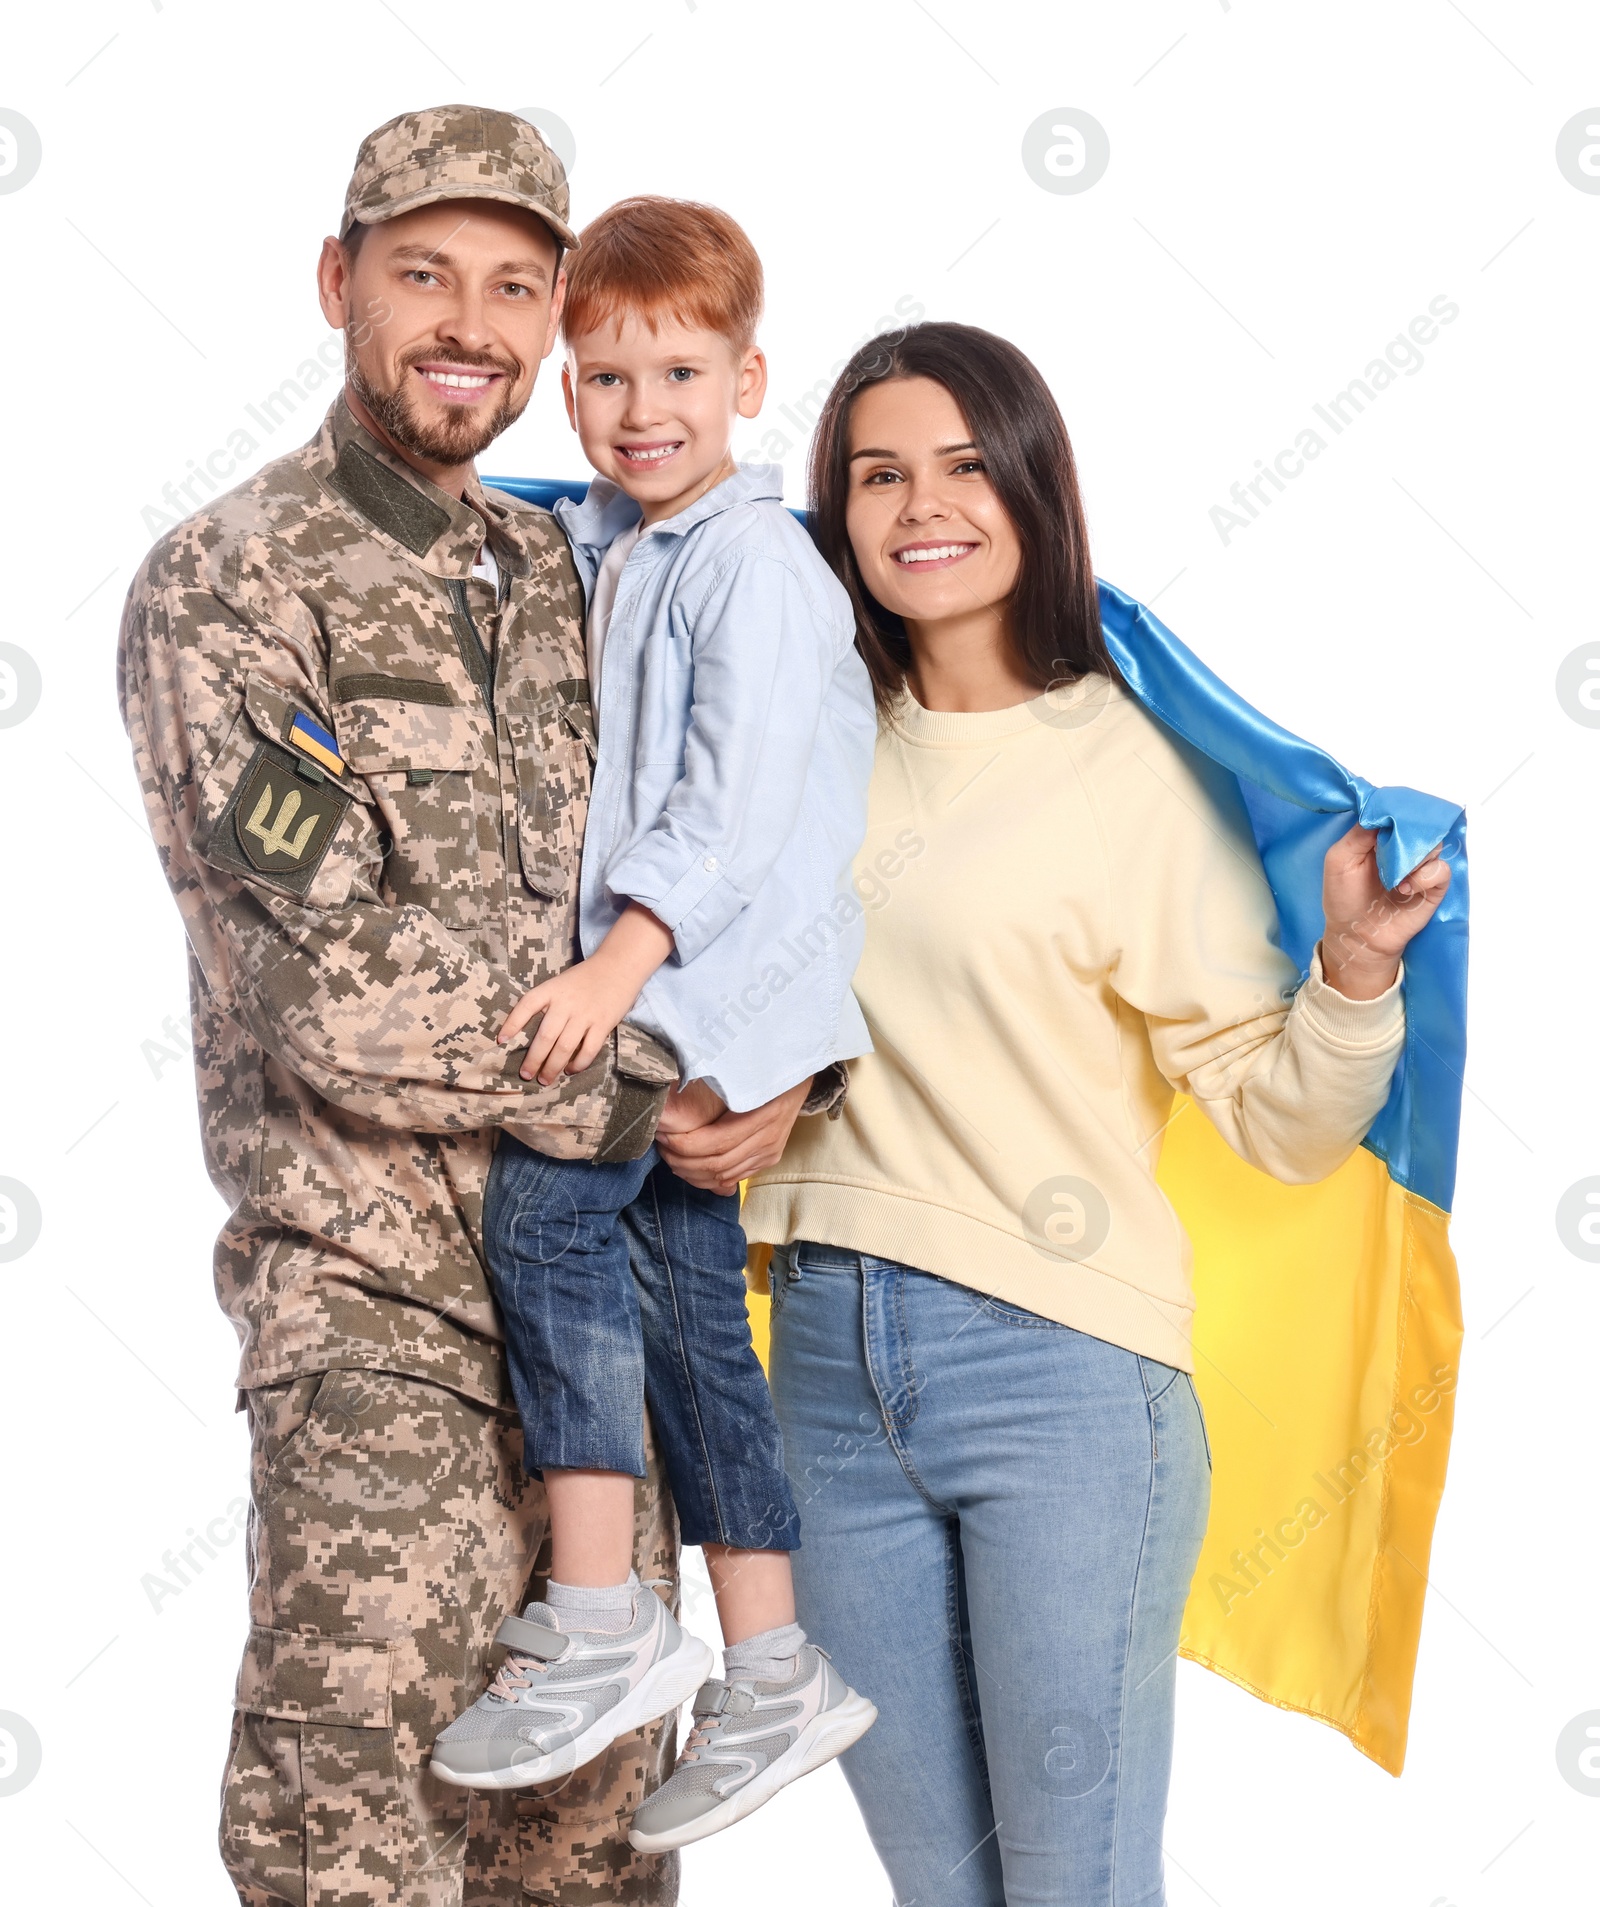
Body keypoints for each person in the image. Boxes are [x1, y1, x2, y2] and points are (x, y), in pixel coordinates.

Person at [671, 322, 1452, 1905]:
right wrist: (713, 1120)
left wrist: (1355, 975)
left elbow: (1281, 1124)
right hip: (815, 1371)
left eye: (965, 465)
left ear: (1034, 489)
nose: (919, 507)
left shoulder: (1124, 769)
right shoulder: (795, 740)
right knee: (940, 1892)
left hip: (1060, 1379)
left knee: (1074, 1885)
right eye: (876, 474)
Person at [117, 106, 718, 1907]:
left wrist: (776, 1072)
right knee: (358, 1847)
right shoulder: (235, 585)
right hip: (375, 1322)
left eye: (516, 286)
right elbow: (328, 992)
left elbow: (693, 855)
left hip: (592, 1326)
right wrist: (646, 1090)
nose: (471, 321)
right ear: (338, 286)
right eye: (424, 274)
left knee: (596, 1850)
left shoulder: (561, 576)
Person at [431, 196, 879, 1851]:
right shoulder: (628, 547)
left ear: (751, 378)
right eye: (606, 378)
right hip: (698, 979)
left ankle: (605, 1608)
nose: (643, 412)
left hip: (707, 974)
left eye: (681, 373)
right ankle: (771, 1664)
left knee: (546, 1211)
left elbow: (732, 803)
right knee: (692, 1317)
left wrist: (620, 967)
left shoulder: (755, 562)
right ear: (568, 394)